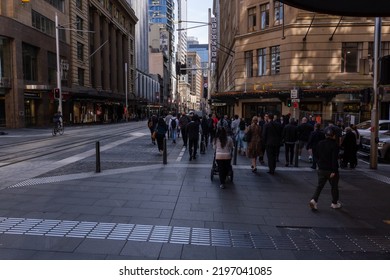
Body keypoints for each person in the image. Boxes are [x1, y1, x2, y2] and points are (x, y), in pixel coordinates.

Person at [309, 126, 342, 211]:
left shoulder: (320, 143)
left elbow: (316, 155)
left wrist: (318, 164)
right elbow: (334, 159)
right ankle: (334, 203)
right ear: (334, 135)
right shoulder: (335, 145)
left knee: (319, 186)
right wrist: (334, 170)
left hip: (321, 169)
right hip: (331, 170)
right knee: (334, 187)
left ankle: (314, 200)